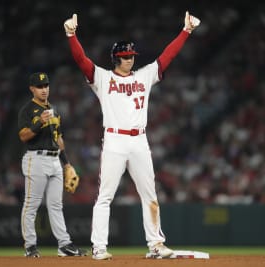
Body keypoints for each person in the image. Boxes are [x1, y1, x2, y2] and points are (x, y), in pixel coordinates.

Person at [63, 12, 200, 260]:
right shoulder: (103, 78)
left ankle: (156, 244)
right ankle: (99, 247)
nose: (129, 60)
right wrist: (71, 35)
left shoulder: (143, 76)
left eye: (131, 56)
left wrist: (186, 31)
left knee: (150, 195)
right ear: (116, 58)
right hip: (115, 139)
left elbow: (167, 57)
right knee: (105, 196)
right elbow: (81, 60)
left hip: (139, 140)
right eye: (125, 57)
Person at [18, 72, 87, 258]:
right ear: (32, 89)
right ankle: (30, 246)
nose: (44, 89)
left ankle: (64, 245)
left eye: (46, 85)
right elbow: (23, 136)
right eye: (40, 86)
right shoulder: (27, 109)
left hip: (55, 159)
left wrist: (66, 164)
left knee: (56, 205)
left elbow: (59, 139)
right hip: (36, 159)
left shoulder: (54, 110)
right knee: (31, 205)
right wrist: (39, 123)